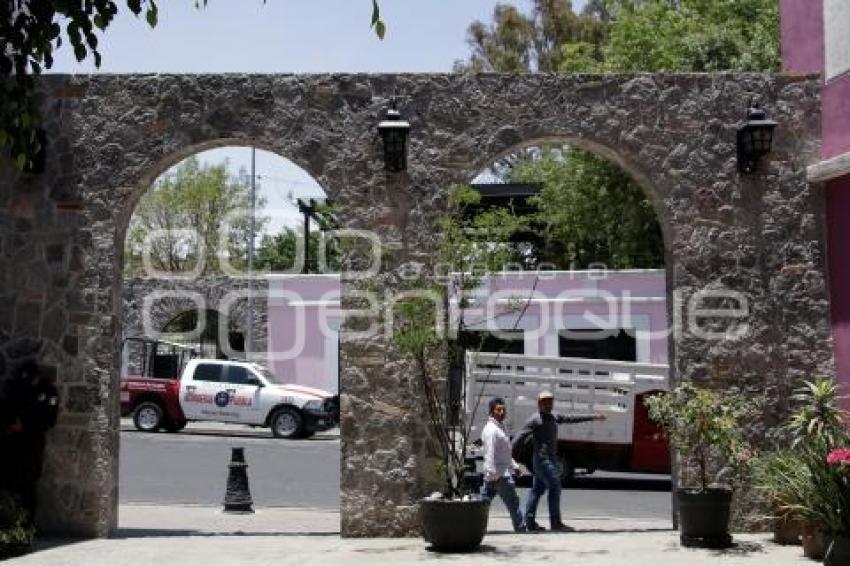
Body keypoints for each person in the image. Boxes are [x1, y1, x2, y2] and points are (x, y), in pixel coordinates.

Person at [519, 390, 605, 532]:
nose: (548, 405)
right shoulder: (535, 419)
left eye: (550, 402)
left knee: (536, 490)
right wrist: (512, 458)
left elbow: (571, 418)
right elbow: (519, 437)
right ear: (539, 403)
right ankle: (556, 523)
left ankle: (529, 522)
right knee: (554, 486)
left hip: (550, 459)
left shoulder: (554, 416)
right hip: (542, 460)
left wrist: (593, 416)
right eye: (545, 402)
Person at [0, 361, 59, 524]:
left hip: (32, 445)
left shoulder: (48, 392)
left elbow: (49, 418)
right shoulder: (15, 389)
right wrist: (10, 425)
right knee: (9, 484)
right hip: (11, 445)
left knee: (27, 486)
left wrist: (25, 425)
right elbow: (6, 409)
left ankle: (26, 525)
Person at [480, 397, 525, 533]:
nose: (502, 412)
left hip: (495, 475)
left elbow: (504, 453)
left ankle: (476, 528)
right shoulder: (491, 430)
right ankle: (521, 530)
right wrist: (492, 474)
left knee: (483, 506)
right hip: (499, 476)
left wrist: (514, 466)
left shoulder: (500, 427)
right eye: (498, 410)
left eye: (503, 409)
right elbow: (490, 453)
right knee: (513, 504)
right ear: (491, 412)